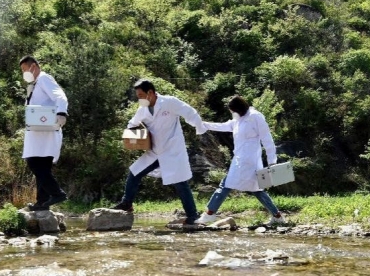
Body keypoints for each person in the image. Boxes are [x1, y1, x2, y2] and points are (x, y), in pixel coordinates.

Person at [112, 79, 207, 224]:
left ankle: (192, 215)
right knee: (134, 172)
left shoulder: (169, 102)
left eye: (141, 95)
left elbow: (190, 112)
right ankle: (127, 203)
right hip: (154, 151)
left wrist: (199, 128)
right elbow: (132, 123)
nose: (139, 99)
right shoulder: (143, 108)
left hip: (172, 150)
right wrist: (133, 136)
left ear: (150, 93)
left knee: (180, 182)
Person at [196, 95, 285, 225]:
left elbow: (267, 138)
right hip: (240, 159)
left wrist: (272, 161)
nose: (231, 113)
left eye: (232, 110)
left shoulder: (255, 116)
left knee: (225, 185)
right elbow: (223, 126)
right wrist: (202, 124)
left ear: (239, 108)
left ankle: (210, 213)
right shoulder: (237, 119)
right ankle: (278, 217)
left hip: (250, 160)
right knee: (257, 190)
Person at [20, 55, 68, 211]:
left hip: (45, 131)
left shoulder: (45, 79)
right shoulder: (35, 83)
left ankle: (57, 193)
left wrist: (62, 113)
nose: (24, 73)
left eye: (24, 69)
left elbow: (60, 96)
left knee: (34, 163)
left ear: (33, 66)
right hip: (38, 131)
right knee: (42, 167)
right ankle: (42, 202)